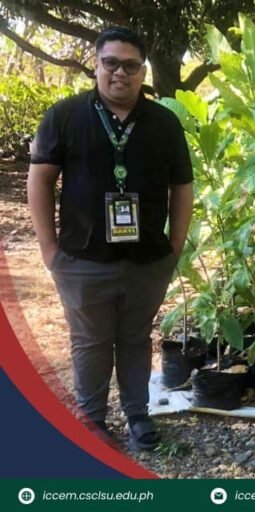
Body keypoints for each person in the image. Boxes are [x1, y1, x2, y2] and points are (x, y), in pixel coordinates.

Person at [27, 27, 194, 450]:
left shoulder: (164, 123)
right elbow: (40, 181)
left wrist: (174, 247)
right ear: (96, 65)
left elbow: (182, 187)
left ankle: (138, 414)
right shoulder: (65, 116)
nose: (121, 72)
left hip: (147, 260)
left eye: (131, 65)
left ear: (143, 72)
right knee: (90, 342)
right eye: (111, 63)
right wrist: (49, 250)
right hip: (82, 259)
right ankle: (93, 419)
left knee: (136, 338)